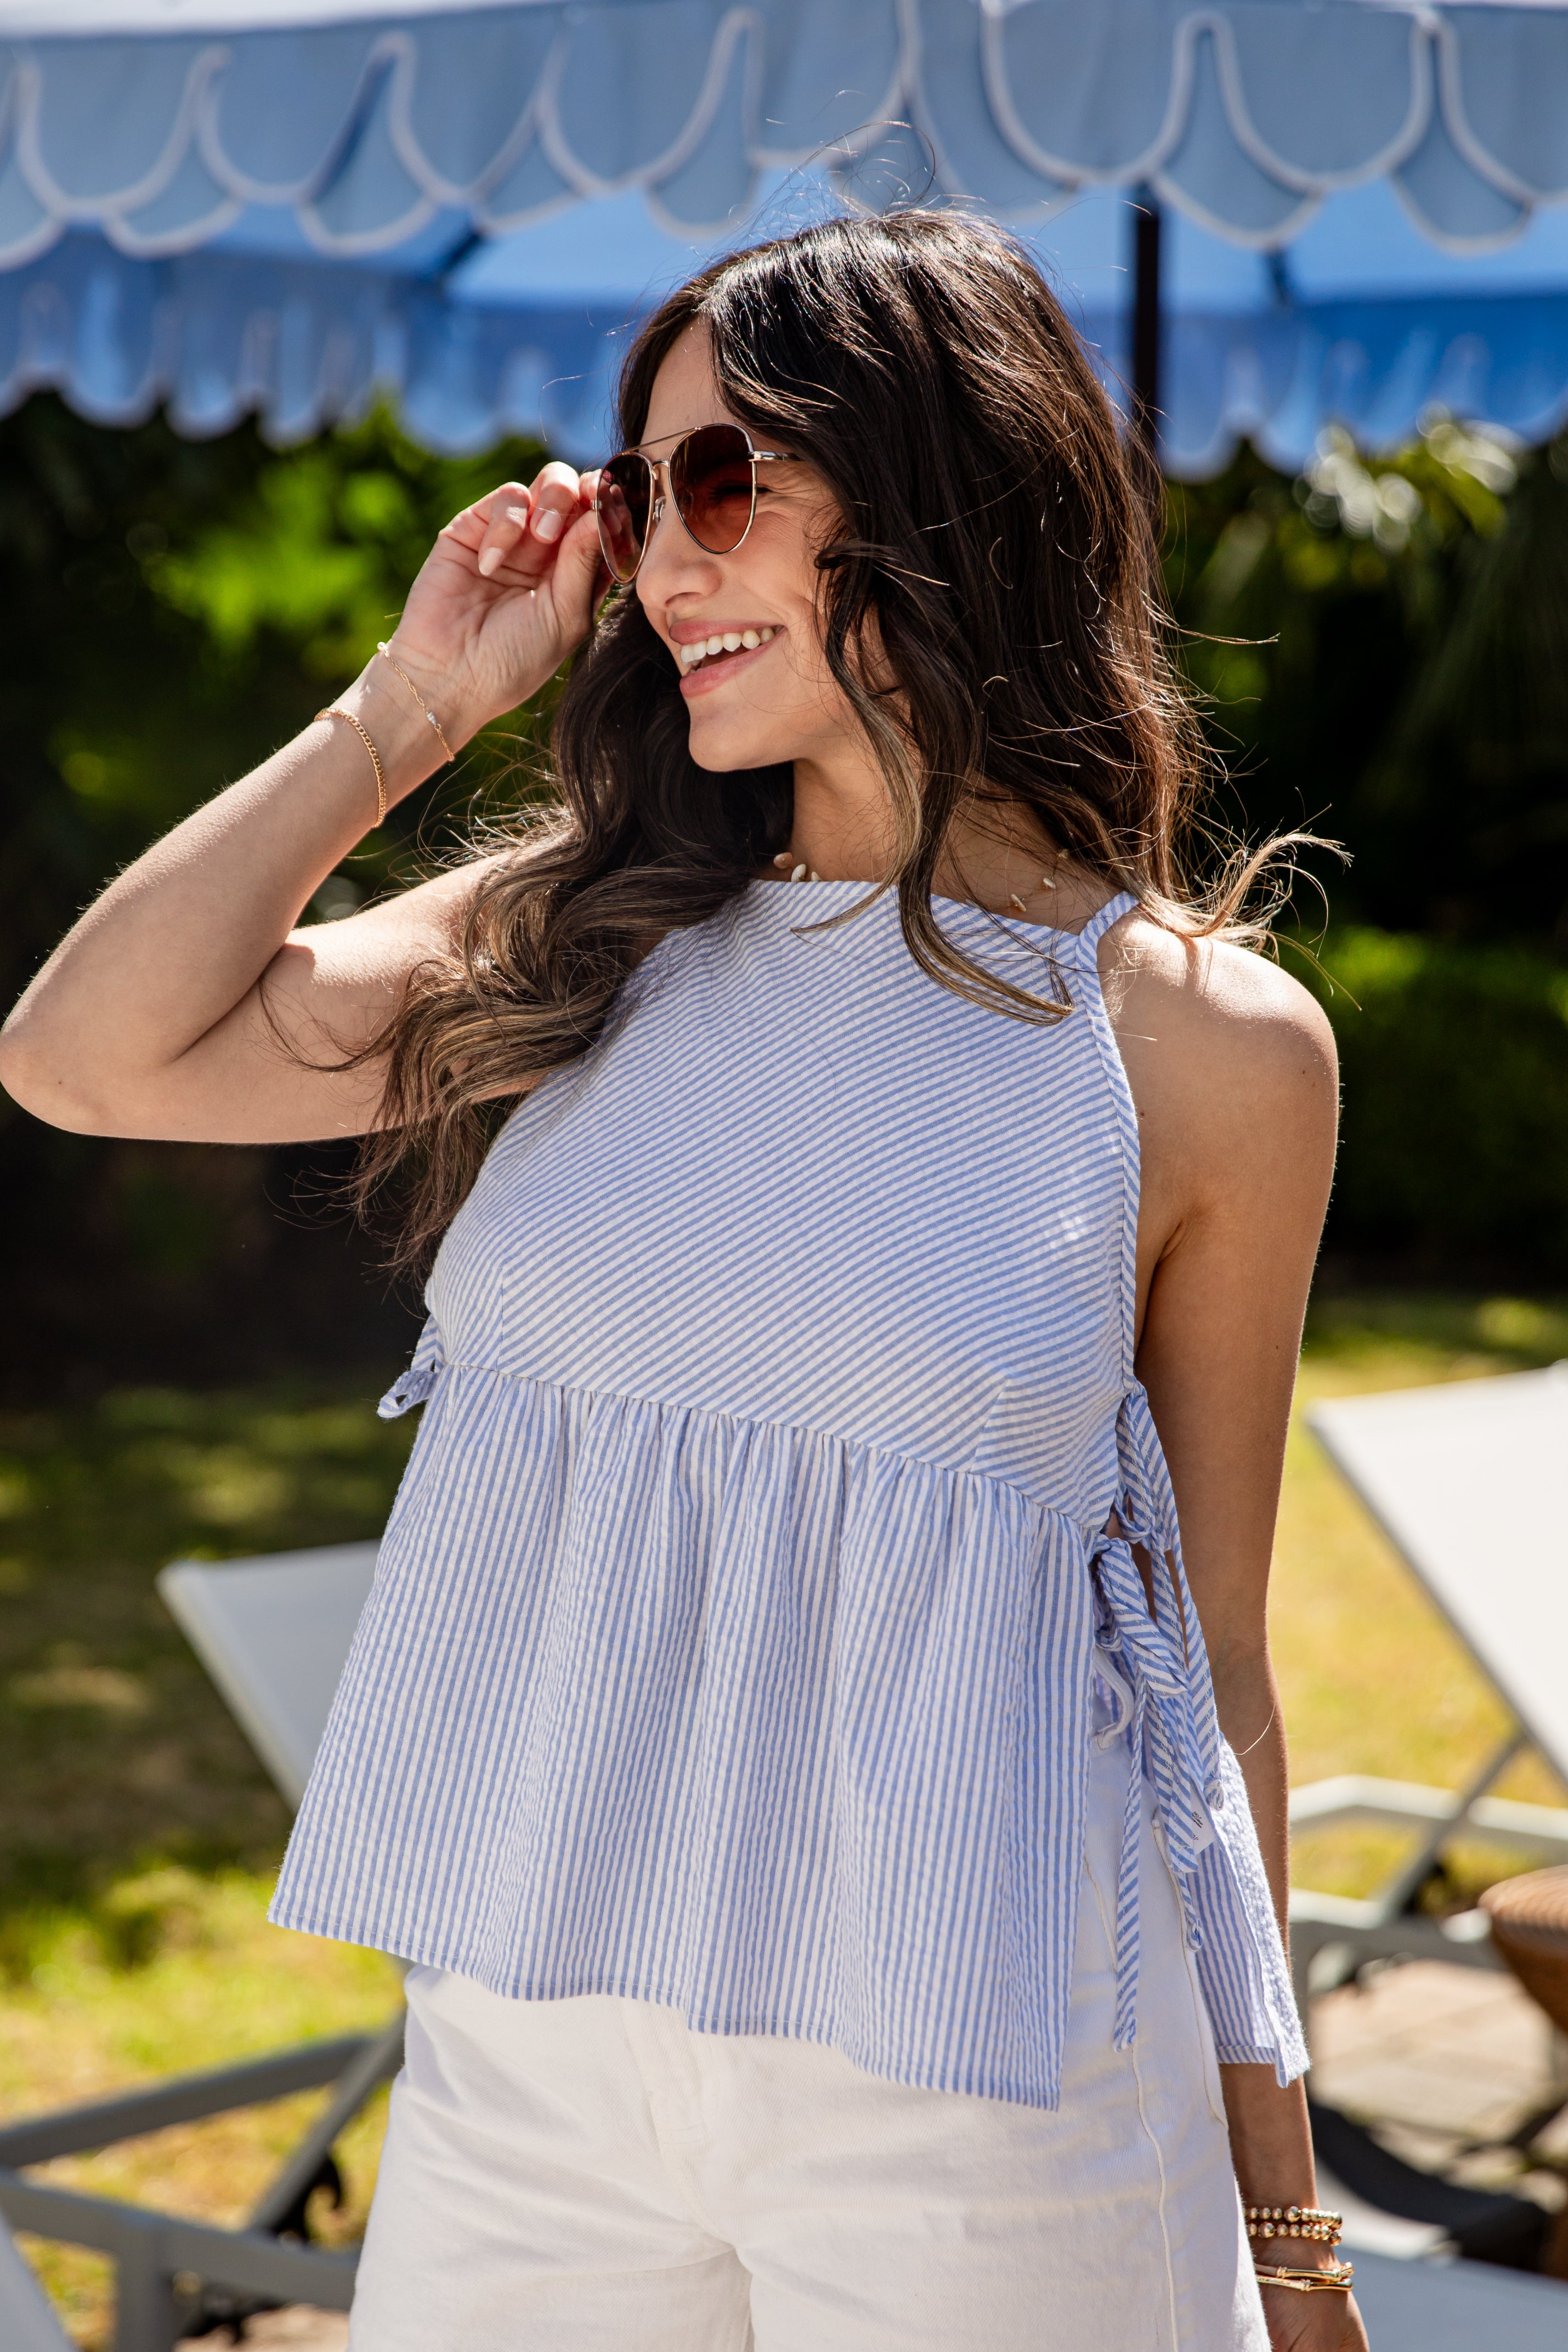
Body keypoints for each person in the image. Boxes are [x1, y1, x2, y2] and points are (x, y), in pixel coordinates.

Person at [0, 212, 1361, 2351]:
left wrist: (1284, 2230)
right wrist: (409, 708)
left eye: (722, 482)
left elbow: (1217, 1684)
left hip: (986, 2078)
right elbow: (82, 1055)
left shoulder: (1199, 1052)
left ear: (938, 488)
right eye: (639, 499)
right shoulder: (582, 936)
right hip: (535, 2054)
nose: (656, 564)